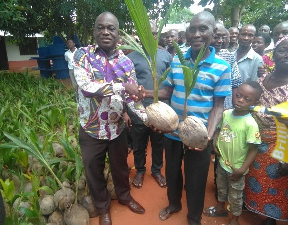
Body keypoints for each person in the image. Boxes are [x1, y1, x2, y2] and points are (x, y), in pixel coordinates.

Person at [145, 11, 231, 225]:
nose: (197, 34)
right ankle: (174, 204)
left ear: (213, 32)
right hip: (173, 131)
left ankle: (194, 217)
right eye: (192, 29)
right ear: (187, 32)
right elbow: (167, 92)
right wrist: (145, 93)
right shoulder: (177, 59)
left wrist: (208, 138)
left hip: (199, 136)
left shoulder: (222, 67)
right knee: (172, 173)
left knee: (196, 180)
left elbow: (218, 107)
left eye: (203, 29)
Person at [73, 12, 147, 225]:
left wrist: (149, 119)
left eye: (111, 28)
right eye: (101, 27)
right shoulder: (82, 55)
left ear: (117, 33)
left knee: (121, 167)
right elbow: (87, 87)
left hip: (117, 127)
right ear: (94, 30)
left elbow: (132, 99)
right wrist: (123, 86)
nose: (105, 31)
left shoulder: (126, 62)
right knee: (93, 170)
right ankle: (103, 207)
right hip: (91, 128)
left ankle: (124, 197)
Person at [203, 81, 263, 225]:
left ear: (255, 102)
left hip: (236, 168)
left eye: (247, 99)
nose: (240, 100)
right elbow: (218, 127)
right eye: (238, 95)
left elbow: (254, 149)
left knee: (235, 196)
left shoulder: (250, 124)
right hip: (222, 162)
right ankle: (220, 208)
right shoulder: (226, 113)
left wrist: (242, 169)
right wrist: (215, 141)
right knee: (221, 188)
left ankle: (235, 219)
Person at [244, 36, 288, 225]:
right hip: (255, 142)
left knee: (277, 185)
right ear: (274, 54)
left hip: (281, 145)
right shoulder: (261, 81)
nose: (286, 55)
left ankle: (271, 219)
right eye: (282, 50)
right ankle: (255, 208)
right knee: (255, 180)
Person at [127, 22, 172, 189]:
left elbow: (171, 85)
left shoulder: (166, 56)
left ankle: (156, 170)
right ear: (139, 35)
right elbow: (127, 86)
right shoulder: (131, 58)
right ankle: (140, 170)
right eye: (146, 33)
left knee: (158, 143)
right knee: (139, 143)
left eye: (154, 33)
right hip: (139, 110)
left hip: (160, 110)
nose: (150, 37)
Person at [210, 23, 242, 109]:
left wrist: (233, 107)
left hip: (224, 107)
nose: (220, 41)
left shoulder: (229, 57)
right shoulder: (199, 56)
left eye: (223, 37)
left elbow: (236, 83)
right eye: (216, 37)